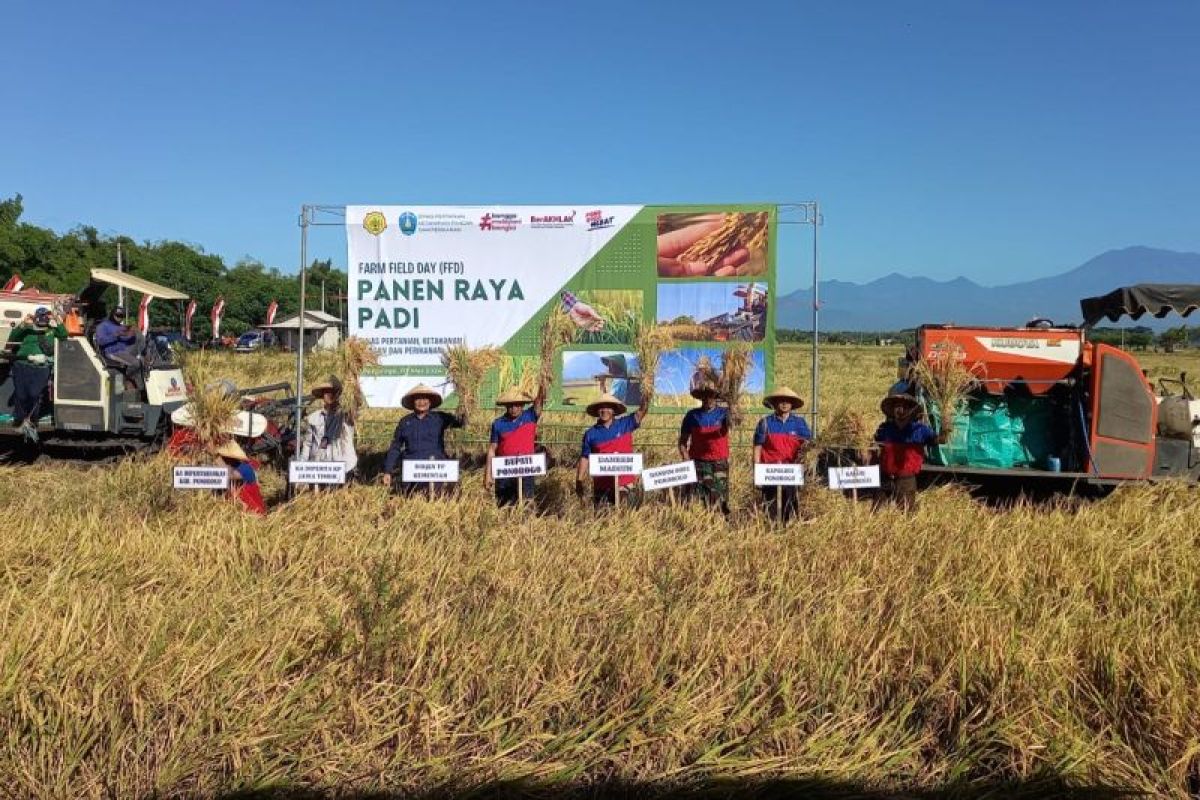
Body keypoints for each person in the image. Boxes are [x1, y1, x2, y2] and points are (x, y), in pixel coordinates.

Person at [381, 384, 466, 495]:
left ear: (430, 402)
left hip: (436, 469)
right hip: (412, 471)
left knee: (437, 500)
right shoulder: (405, 422)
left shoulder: (440, 418)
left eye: (425, 398)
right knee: (411, 502)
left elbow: (460, 422)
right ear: (412, 402)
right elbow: (395, 447)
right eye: (418, 399)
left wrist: (466, 401)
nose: (422, 402)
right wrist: (388, 471)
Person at [872, 392, 947, 511]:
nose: (900, 410)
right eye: (897, 406)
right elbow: (873, 444)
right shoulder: (885, 428)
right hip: (886, 478)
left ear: (911, 410)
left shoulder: (920, 430)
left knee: (906, 512)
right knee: (877, 512)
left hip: (906, 480)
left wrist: (946, 427)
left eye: (904, 407)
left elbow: (940, 440)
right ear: (892, 410)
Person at [576, 391, 650, 508]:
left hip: (625, 485)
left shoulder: (625, 424)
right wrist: (579, 481)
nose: (604, 410)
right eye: (601, 407)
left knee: (626, 516)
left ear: (614, 410)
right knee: (603, 519)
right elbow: (585, 458)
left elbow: (642, 411)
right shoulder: (590, 434)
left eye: (608, 407)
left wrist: (647, 390)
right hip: (602, 486)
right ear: (596, 411)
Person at [752, 386, 812, 522]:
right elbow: (757, 448)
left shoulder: (799, 423)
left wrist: (805, 465)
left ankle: (789, 534)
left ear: (792, 404)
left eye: (787, 401)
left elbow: (808, 446)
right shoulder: (765, 423)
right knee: (771, 510)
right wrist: (757, 471)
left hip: (791, 473)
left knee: (790, 509)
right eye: (781, 401)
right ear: (774, 404)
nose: (784, 404)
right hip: (770, 474)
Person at [8, 307, 67, 441]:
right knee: (21, 395)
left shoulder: (51, 331)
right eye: (40, 316)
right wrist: (23, 324)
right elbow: (12, 338)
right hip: (22, 364)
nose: (43, 319)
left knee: (35, 394)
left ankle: (32, 421)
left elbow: (64, 336)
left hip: (41, 367)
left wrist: (58, 321)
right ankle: (19, 420)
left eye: (45, 316)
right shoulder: (28, 330)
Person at [485, 386, 545, 507]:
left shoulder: (530, 416)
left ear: (522, 405)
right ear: (506, 406)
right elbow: (492, 449)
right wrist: (488, 474)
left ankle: (527, 526)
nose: (513, 408)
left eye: (517, 405)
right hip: (505, 472)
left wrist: (542, 384)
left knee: (527, 504)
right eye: (510, 405)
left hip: (526, 472)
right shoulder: (498, 423)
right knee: (505, 506)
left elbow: (539, 402)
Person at [677, 383, 731, 514]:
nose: (708, 399)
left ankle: (721, 524)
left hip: (719, 462)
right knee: (697, 496)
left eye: (711, 396)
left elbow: (736, 421)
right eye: (705, 396)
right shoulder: (692, 416)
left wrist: (733, 405)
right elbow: (683, 441)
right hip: (698, 462)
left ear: (716, 397)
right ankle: (698, 524)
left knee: (719, 495)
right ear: (701, 398)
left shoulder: (724, 414)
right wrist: (685, 457)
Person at [299, 376, 358, 485]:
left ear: (337, 394)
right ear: (322, 396)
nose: (328, 395)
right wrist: (302, 467)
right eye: (326, 392)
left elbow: (356, 406)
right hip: (319, 469)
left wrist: (353, 384)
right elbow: (307, 444)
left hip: (342, 468)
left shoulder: (344, 416)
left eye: (332, 392)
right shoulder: (314, 418)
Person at [94, 306, 143, 393]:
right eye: (118, 315)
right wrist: (116, 335)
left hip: (124, 351)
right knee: (136, 363)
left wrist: (132, 335)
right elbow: (101, 341)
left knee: (143, 362)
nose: (120, 318)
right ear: (112, 314)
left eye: (122, 316)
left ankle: (138, 387)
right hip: (112, 352)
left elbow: (126, 341)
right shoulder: (102, 326)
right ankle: (128, 380)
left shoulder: (121, 327)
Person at [212, 439, 266, 515]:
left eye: (223, 458)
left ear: (229, 458)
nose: (223, 460)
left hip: (252, 511)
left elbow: (230, 475)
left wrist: (216, 457)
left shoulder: (245, 468)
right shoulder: (235, 467)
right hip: (240, 509)